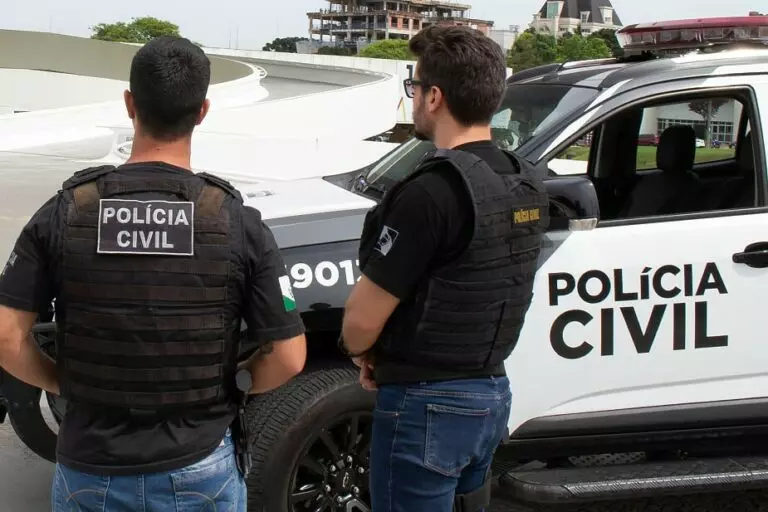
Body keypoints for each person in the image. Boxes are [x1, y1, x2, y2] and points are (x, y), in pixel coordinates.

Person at [0, 36, 307, 511]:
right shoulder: (237, 222)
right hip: (200, 465)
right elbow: (289, 355)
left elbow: (6, 336)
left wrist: (66, 384)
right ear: (202, 111)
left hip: (88, 466)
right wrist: (236, 384)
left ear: (130, 104)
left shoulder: (64, 212)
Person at [339, 26, 549, 512]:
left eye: (414, 88)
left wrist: (363, 352)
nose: (412, 99)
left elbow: (361, 320)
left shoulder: (431, 192)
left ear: (434, 97)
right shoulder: (525, 182)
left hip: (426, 404)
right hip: (492, 395)